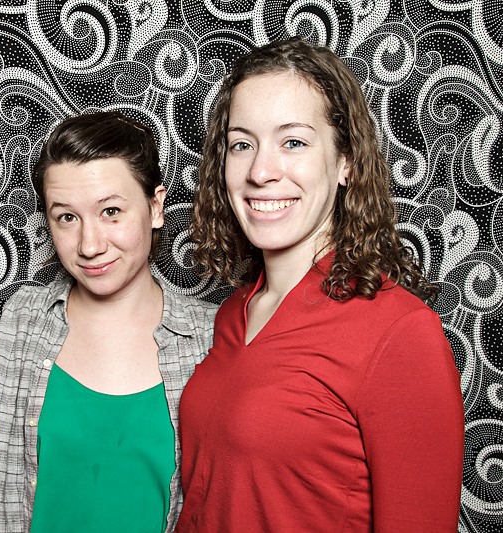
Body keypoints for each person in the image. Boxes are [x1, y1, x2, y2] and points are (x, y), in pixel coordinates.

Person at [176, 37, 465, 532]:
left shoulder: (400, 332)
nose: (261, 171)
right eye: (242, 144)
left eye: (293, 142)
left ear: (345, 162)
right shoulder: (233, 314)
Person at [0, 111, 218, 533]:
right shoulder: (23, 320)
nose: (90, 245)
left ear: (155, 207)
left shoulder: (212, 337)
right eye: (67, 217)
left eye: (111, 211)